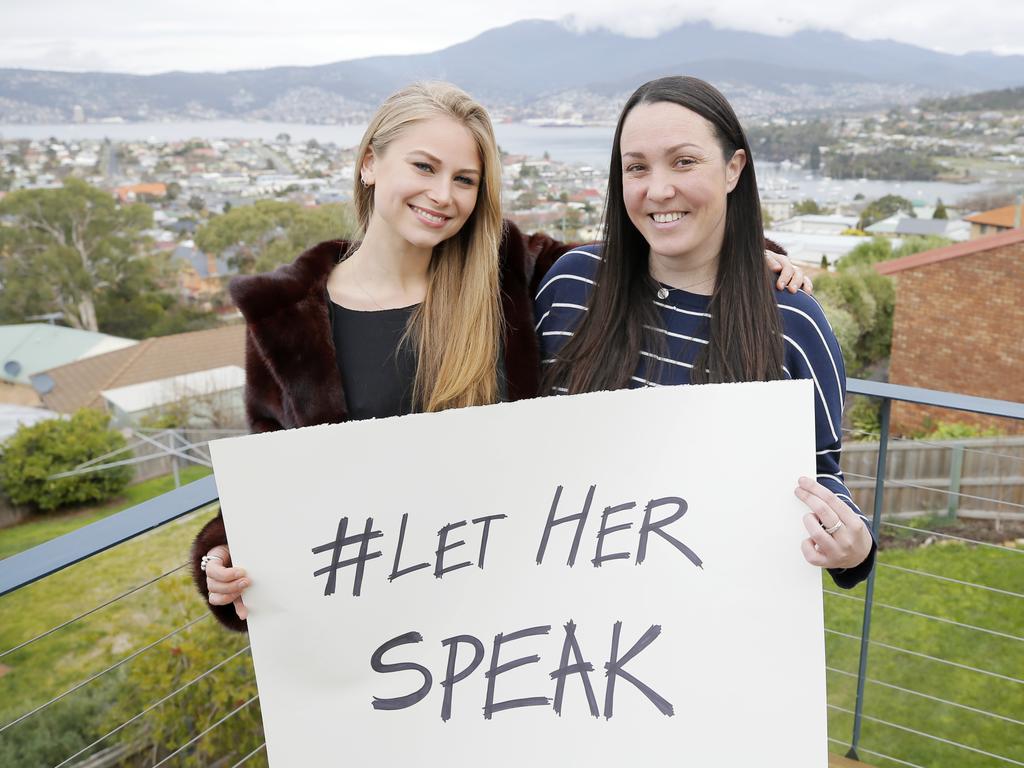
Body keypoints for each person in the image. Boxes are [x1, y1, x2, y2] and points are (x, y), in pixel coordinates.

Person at [193, 81, 813, 632]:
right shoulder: (286, 321)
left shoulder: (509, 273)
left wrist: (746, 254)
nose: (443, 194)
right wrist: (223, 557)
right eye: (424, 167)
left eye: (465, 180)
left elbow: (650, 243)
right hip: (375, 631)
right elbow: (268, 480)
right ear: (369, 164)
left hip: (516, 616)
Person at [535, 76, 874, 586]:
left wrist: (854, 547)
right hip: (556, 618)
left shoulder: (793, 324)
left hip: (704, 630)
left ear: (734, 169)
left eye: (684, 161)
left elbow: (819, 476)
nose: (658, 189)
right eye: (636, 168)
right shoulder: (570, 284)